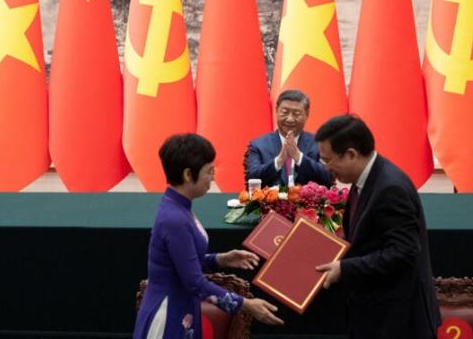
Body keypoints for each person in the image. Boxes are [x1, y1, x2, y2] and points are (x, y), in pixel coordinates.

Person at [133, 134, 283, 339]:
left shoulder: (178, 207)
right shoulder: (175, 218)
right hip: (168, 315)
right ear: (188, 174)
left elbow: (183, 263)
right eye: (209, 171)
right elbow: (194, 281)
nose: (213, 177)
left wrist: (221, 259)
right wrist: (246, 304)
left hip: (181, 307)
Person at [314, 115, 440, 339]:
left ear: (351, 154)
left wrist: (345, 268)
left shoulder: (390, 188)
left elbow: (404, 252)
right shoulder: (364, 180)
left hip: (397, 320)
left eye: (328, 160)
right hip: (373, 313)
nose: (326, 168)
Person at [244, 89, 332, 187]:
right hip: (270, 201)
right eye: (285, 112)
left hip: (309, 201)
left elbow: (329, 177)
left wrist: (299, 157)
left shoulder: (319, 143)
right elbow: (251, 179)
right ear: (276, 110)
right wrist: (279, 161)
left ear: (306, 114)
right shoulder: (258, 145)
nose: (290, 119)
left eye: (296, 114)